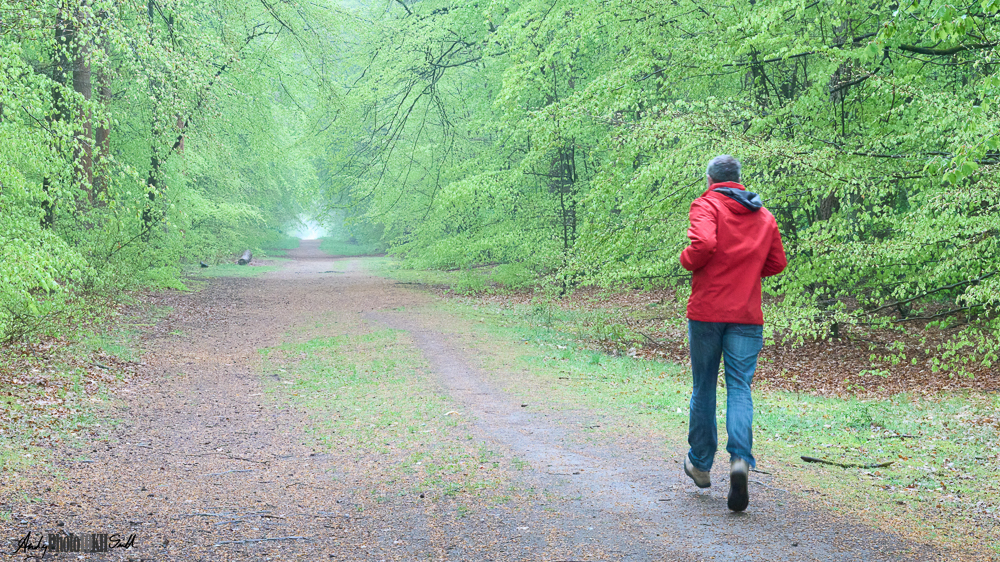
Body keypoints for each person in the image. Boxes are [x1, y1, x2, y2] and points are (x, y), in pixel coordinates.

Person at [679, 154, 787, 512]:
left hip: (708, 311)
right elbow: (777, 263)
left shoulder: (706, 204)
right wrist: (746, 269)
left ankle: (700, 463)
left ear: (711, 179)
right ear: (739, 180)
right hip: (746, 314)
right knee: (739, 388)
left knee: (704, 385)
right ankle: (740, 460)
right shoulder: (764, 216)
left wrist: (687, 259)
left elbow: (704, 245)